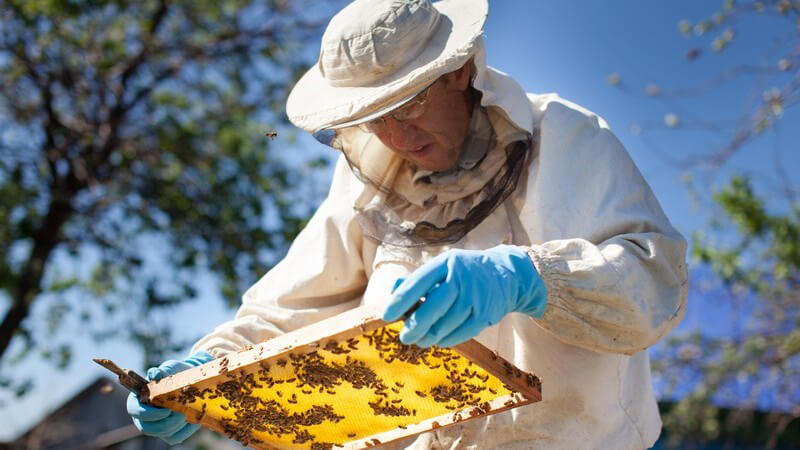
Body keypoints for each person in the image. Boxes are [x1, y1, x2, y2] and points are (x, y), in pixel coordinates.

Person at [127, 0, 689, 448]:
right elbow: (289, 309)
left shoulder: (566, 134)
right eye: (373, 118)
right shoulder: (363, 183)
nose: (394, 137)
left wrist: (531, 278)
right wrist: (206, 372)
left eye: (409, 105)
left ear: (461, 70)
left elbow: (655, 282)